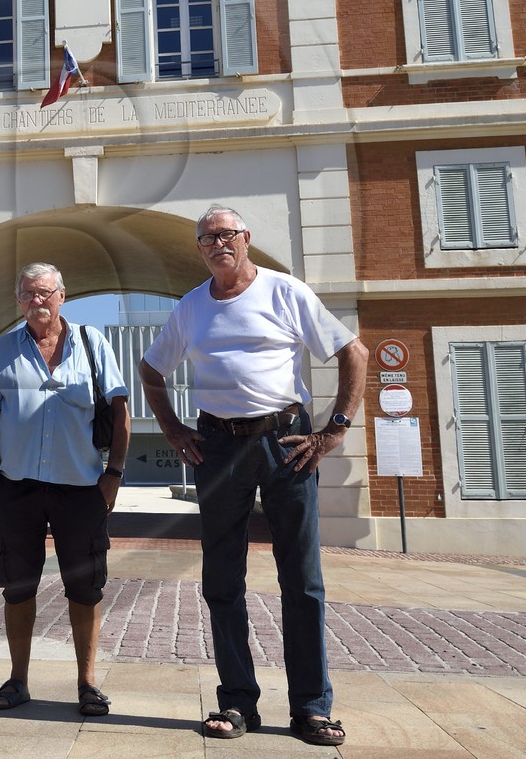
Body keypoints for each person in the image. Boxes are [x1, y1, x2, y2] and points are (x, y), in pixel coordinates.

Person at [139, 205, 367, 747]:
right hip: (217, 447)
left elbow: (353, 352)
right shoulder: (191, 307)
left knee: (302, 578)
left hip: (286, 443)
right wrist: (172, 428)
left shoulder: (285, 291)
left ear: (245, 238)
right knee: (222, 577)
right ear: (199, 249)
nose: (217, 243)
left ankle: (311, 707)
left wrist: (334, 430)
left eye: (226, 234)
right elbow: (151, 368)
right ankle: (238, 701)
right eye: (206, 238)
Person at [0, 263, 129, 718]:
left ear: (62, 295)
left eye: (44, 292)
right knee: (17, 586)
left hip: (81, 489)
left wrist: (114, 474)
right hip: (18, 488)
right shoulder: (1, 350)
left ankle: (88, 684)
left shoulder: (92, 343)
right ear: (18, 300)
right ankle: (18, 679)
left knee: (86, 587)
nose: (36, 301)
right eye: (28, 294)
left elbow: (120, 411)